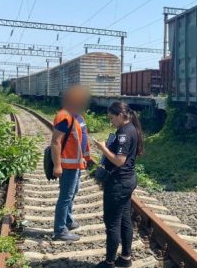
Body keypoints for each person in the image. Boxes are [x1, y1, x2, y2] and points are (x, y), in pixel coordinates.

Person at [93, 102, 143, 268]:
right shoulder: (132, 129)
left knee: (112, 223)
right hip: (128, 180)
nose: (111, 121)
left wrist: (102, 148)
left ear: (121, 115)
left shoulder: (124, 133)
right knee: (125, 219)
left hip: (118, 183)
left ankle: (109, 262)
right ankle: (126, 258)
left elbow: (119, 160)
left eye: (112, 118)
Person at [51, 85, 93, 241]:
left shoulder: (78, 116)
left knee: (73, 193)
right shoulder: (64, 116)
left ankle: (68, 220)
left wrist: (86, 158)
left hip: (76, 163)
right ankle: (60, 230)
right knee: (65, 197)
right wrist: (57, 165)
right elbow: (56, 141)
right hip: (67, 165)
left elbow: (81, 139)